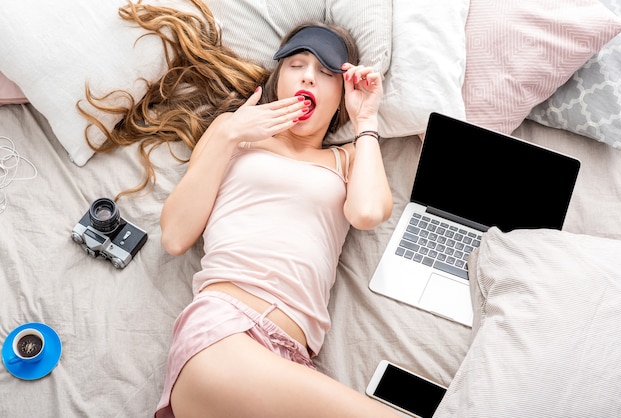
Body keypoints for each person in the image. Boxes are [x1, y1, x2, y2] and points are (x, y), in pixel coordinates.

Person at [82, 1, 395, 417]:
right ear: (278, 80)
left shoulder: (351, 158)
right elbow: (175, 236)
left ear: (341, 93)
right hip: (224, 329)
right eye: (296, 65)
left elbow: (368, 213)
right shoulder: (235, 133)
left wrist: (366, 118)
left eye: (325, 72)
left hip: (292, 357)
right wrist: (229, 134)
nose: (308, 76)